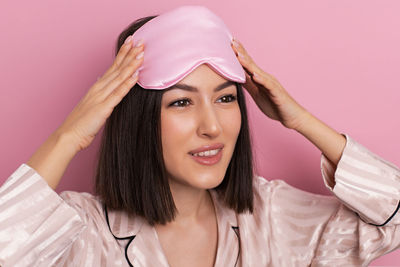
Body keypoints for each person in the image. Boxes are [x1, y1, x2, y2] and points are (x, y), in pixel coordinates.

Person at [1, 5, 400, 267]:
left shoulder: (272, 218)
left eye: (225, 98)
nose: (213, 126)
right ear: (139, 120)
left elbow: (393, 219)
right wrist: (70, 135)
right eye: (181, 103)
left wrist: (300, 120)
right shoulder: (82, 232)